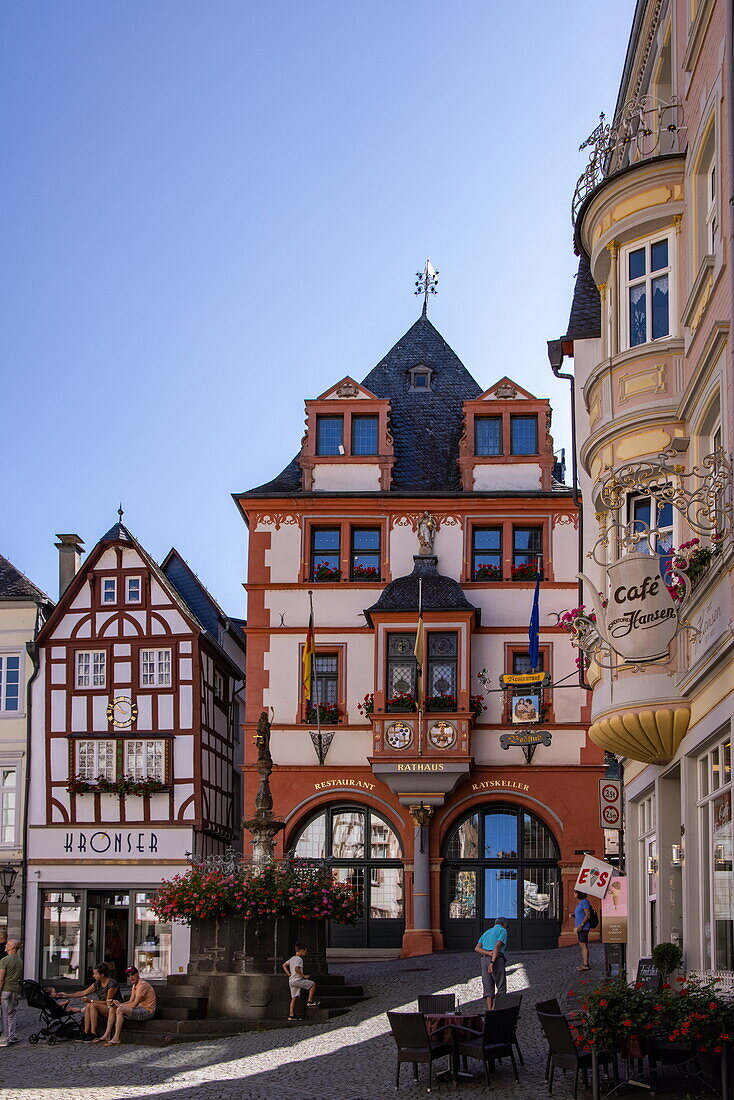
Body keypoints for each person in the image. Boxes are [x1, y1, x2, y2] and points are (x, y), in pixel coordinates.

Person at [94, 965, 156, 1045]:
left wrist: (120, 1006)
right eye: (128, 975)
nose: (131, 977)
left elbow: (134, 1004)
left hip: (147, 1011)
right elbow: (130, 1001)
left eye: (132, 974)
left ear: (137, 974)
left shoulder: (142, 985)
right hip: (139, 1008)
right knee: (113, 1008)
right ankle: (107, 1035)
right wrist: (119, 1004)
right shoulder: (135, 986)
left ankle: (116, 1038)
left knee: (120, 1009)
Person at [56, 962, 119, 1040]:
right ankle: (86, 1032)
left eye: (96, 974)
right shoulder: (97, 983)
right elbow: (84, 992)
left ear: (102, 975)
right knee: (89, 1005)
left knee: (92, 1004)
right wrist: (68, 995)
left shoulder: (112, 984)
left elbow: (108, 1002)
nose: (93, 976)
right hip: (102, 1007)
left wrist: (91, 1001)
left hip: (113, 1008)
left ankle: (93, 1033)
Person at [475, 918, 508, 1010]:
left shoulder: (486, 932)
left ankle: (489, 1011)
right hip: (496, 959)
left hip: (484, 960)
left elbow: (477, 948)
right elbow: (497, 946)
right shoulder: (503, 930)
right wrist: (492, 962)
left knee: (488, 987)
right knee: (501, 986)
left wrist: (488, 953)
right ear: (504, 924)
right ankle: (495, 1009)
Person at [282, 941, 320, 1022]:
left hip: (291, 980)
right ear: (302, 950)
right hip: (297, 979)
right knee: (313, 984)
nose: (305, 953)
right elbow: (296, 969)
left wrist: (289, 974)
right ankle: (310, 1001)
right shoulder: (299, 959)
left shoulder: (292, 958)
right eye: (305, 951)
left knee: (294, 997)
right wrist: (304, 976)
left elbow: (284, 965)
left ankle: (291, 1015)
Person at [0, 940, 23, 1045]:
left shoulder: (4, 960)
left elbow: (1, 979)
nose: (5, 945)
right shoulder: (20, 961)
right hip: (15, 989)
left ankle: (4, 1039)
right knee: (12, 1013)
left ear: (12, 947)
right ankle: (12, 1036)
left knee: (4, 1014)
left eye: (8, 945)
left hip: (5, 989)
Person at [573, 890, 592, 971]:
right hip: (579, 927)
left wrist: (581, 925)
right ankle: (585, 963)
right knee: (582, 945)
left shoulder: (584, 901)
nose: (573, 894)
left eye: (575, 892)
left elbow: (587, 915)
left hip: (583, 927)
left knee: (583, 946)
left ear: (579, 894)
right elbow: (581, 914)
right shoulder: (580, 903)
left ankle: (586, 965)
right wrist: (573, 915)